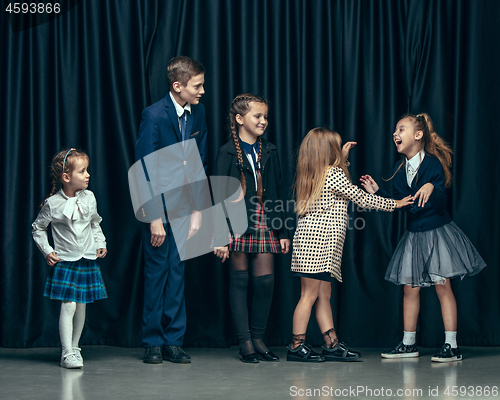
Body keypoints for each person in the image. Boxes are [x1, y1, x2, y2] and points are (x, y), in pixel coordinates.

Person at [360, 113, 486, 362]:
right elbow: (403, 203)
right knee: (410, 288)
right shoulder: (400, 170)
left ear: (418, 135)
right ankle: (408, 344)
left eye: (401, 129)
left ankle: (452, 345)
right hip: (415, 236)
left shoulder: (431, 164)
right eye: (395, 130)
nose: (395, 133)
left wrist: (431, 187)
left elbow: (439, 198)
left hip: (437, 234)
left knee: (442, 286)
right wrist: (379, 193)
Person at [287, 128, 413, 362]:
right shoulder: (333, 173)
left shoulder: (315, 173)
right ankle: (296, 345)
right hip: (317, 244)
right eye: (336, 147)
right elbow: (360, 196)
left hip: (317, 244)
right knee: (309, 295)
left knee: (324, 294)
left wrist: (342, 158)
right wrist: (394, 204)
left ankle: (331, 344)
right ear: (328, 151)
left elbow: (341, 185)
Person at [135, 56, 207, 364]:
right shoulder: (153, 116)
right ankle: (152, 341)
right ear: (178, 86)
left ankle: (173, 341)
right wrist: (154, 219)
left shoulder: (199, 112)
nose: (203, 90)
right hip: (158, 210)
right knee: (157, 275)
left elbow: (198, 163)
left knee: (177, 274)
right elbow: (143, 169)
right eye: (198, 85)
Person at [213, 94, 291, 363]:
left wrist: (282, 231)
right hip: (236, 222)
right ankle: (245, 342)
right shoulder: (226, 152)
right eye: (257, 116)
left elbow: (279, 191)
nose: (263, 121)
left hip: (265, 220)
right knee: (240, 281)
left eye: (265, 117)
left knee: (266, 282)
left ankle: (258, 338)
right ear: (239, 119)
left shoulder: (269, 150)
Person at [32, 148, 107, 369]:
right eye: (82, 171)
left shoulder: (90, 197)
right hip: (66, 261)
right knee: (69, 305)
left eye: (87, 170)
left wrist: (101, 243)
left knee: (81, 304)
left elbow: (95, 223)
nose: (88, 175)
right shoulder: (53, 204)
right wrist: (47, 250)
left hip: (86, 259)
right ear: (66, 177)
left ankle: (75, 348)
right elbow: (37, 228)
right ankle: (66, 353)